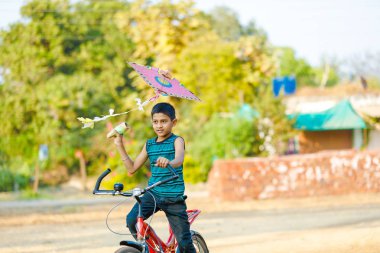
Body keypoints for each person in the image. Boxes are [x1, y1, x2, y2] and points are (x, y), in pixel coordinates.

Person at [113, 102, 196, 253]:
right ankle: (152, 248)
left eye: (164, 121)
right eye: (155, 122)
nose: (159, 125)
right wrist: (119, 144)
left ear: (173, 122)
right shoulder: (149, 144)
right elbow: (131, 168)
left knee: (184, 243)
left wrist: (169, 162)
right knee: (132, 221)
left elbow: (179, 160)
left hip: (173, 198)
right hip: (153, 194)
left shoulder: (177, 140)